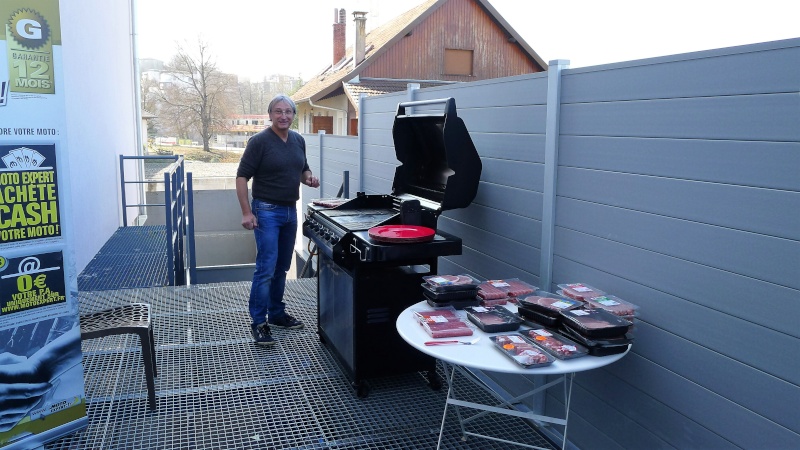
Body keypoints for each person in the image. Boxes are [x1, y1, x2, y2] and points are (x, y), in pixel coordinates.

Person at [236, 94, 319, 346]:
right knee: (266, 268)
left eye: (288, 112)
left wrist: (309, 178)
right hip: (266, 210)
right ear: (270, 114)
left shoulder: (298, 140)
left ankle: (277, 314)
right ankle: (259, 322)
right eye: (278, 111)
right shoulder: (259, 141)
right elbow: (242, 177)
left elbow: (303, 168)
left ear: (293, 115)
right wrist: (246, 212)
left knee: (282, 267)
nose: (284, 116)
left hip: (289, 211)